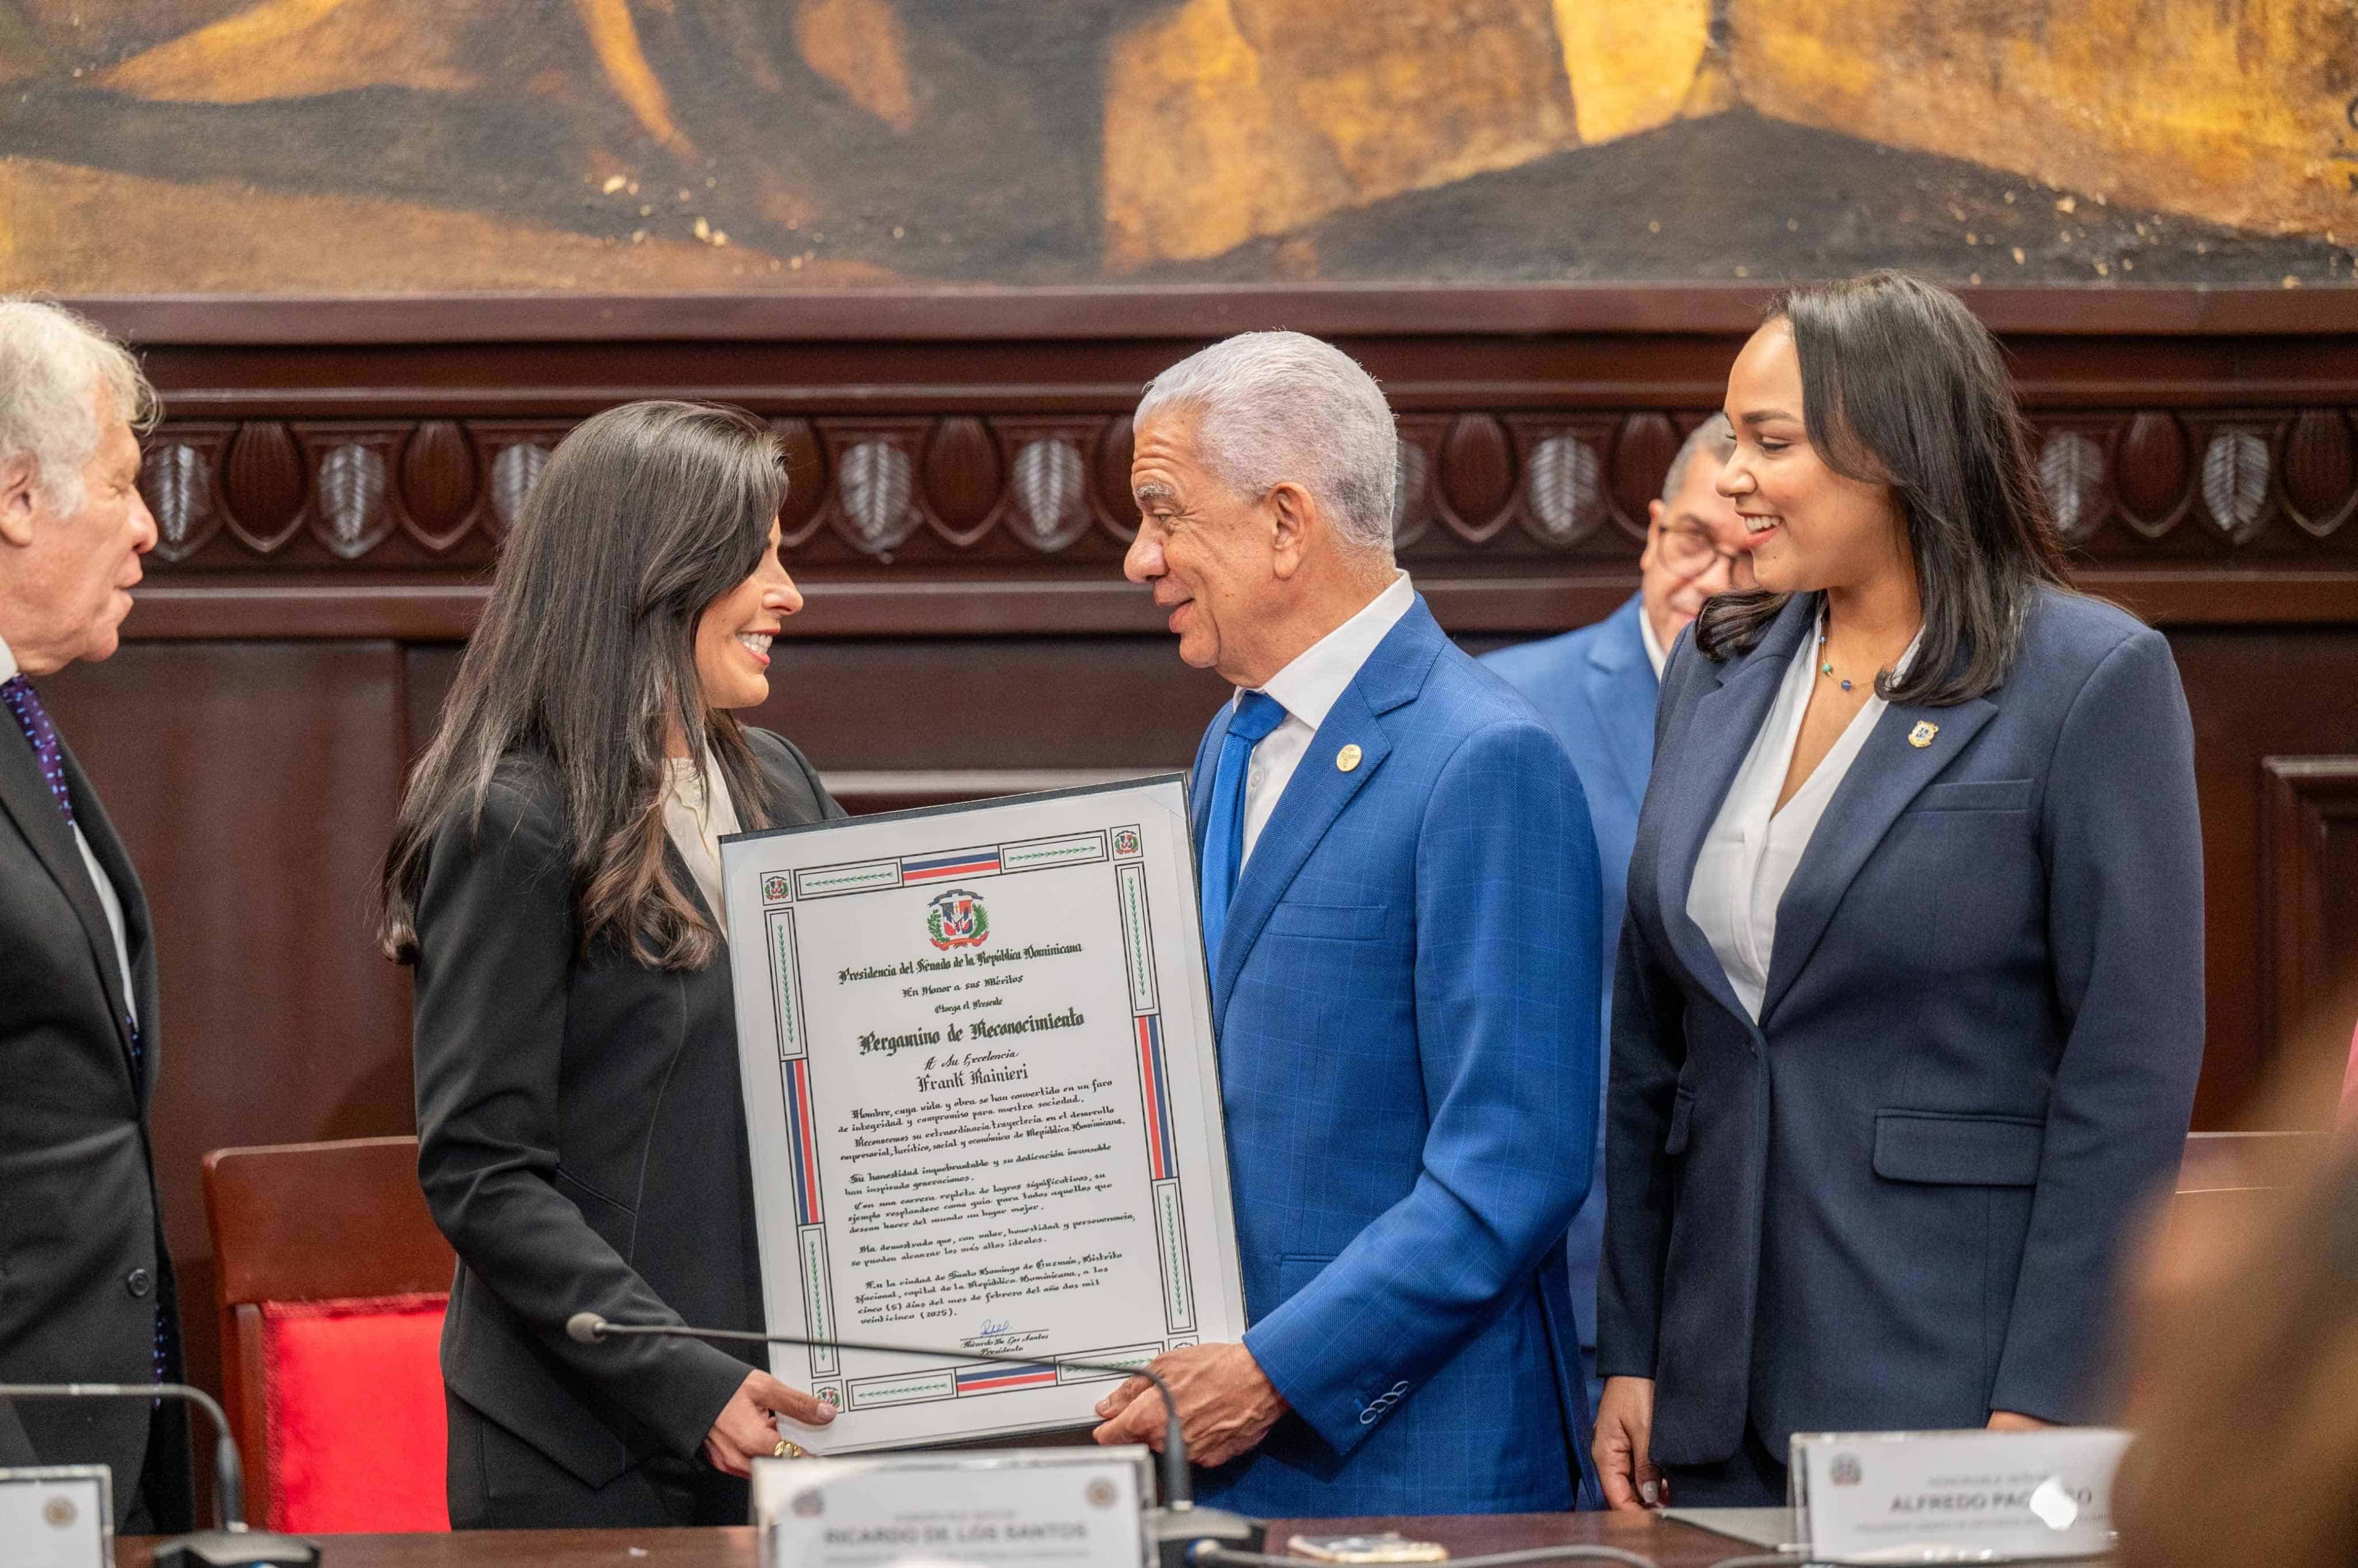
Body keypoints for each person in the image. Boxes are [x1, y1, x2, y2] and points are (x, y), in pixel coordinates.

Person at [1593, 272, 2205, 1509]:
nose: (1730, 479)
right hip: (1712, 1393)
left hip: (1952, 1386)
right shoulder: (1711, 672)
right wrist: (1635, 1347)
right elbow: (1653, 1052)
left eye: (1770, 442)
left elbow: (2126, 1076)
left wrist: (2044, 1393)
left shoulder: (2088, 681)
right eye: (1730, 440)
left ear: (1897, 450)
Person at [1090, 331, 1604, 1514]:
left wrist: (1274, 1374)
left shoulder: (1486, 760)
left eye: (1163, 514)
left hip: (1411, 1467)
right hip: (1215, 1458)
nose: (1139, 559)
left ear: (1284, 523)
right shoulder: (1231, 738)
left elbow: (1512, 1165)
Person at [381, 401, 842, 1528]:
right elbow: (482, 1170)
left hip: (785, 1430)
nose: (789, 593)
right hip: (586, 1458)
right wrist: (683, 1378)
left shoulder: (778, 780)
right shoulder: (517, 821)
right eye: (759, 556)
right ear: (658, 573)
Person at [1482, 415, 1750, 1409]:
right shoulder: (1509, 708)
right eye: (1692, 542)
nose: (1713, 583)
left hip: (1770, 1273)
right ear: (1650, 533)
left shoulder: (1835, 714)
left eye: (1748, 555)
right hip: (1569, 1267)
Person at [0, 300, 192, 1533]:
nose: (147, 528)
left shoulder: (27, 729)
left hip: (97, 1437)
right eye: (124, 484)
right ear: (15, 496)